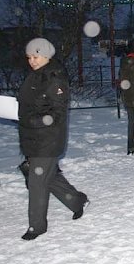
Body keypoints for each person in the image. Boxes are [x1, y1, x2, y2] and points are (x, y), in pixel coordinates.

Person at [18, 38, 89, 240]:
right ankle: (77, 201)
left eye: (36, 56)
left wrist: (33, 120)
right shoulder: (33, 77)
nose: (32, 61)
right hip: (31, 136)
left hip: (47, 138)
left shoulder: (55, 79)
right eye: (29, 57)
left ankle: (37, 226)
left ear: (46, 56)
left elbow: (56, 114)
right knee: (48, 177)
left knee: (37, 182)